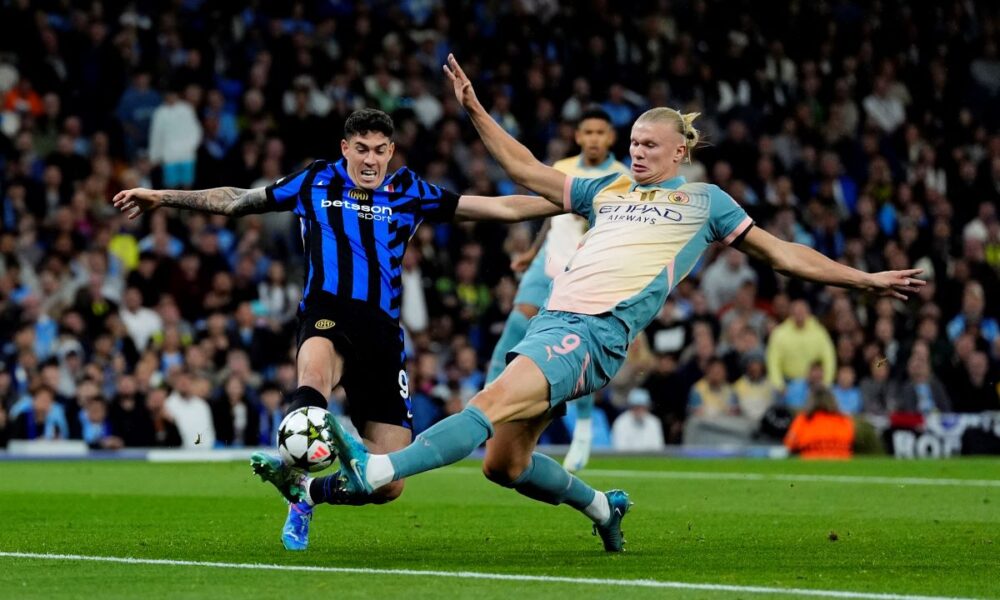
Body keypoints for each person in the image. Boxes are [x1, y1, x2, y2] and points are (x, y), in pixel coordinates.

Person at [291, 55, 925, 553]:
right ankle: (601, 506)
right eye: (634, 142)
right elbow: (528, 173)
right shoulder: (607, 190)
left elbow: (785, 253)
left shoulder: (706, 204)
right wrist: (476, 110)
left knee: (487, 402)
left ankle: (377, 473)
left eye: (650, 145)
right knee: (503, 464)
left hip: (595, 334)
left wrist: (864, 281)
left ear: (681, 153)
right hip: (556, 327)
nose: (637, 151)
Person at [112, 108, 563, 551]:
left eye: (380, 150)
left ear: (391, 152)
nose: (370, 159)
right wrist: (162, 196)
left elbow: (500, 207)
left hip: (383, 336)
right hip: (328, 313)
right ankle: (296, 459)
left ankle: (306, 495)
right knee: (313, 382)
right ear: (345, 148)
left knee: (389, 485)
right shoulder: (315, 180)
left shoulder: (409, 191)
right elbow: (238, 200)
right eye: (362, 149)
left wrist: (571, 200)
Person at [486, 107, 628, 474]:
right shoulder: (562, 168)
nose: (594, 138)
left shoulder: (623, 178)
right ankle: (482, 414)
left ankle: (582, 430)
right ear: (578, 136)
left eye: (601, 132)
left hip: (582, 271)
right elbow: (552, 218)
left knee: (576, 351)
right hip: (545, 265)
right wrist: (531, 253)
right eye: (588, 132)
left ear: (610, 138)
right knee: (513, 332)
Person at [783, 388, 855, 459]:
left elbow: (789, 443)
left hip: (810, 463)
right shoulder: (844, 419)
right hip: (842, 463)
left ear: (811, 401)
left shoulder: (803, 419)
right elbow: (852, 441)